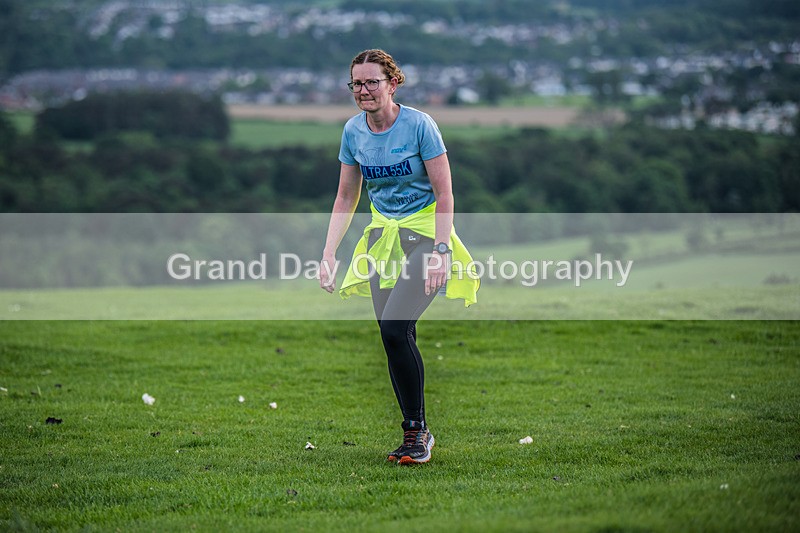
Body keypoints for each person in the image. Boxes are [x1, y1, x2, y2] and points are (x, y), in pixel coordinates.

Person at [319, 49, 478, 465]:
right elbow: (346, 196)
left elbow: (445, 193)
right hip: (383, 243)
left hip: (425, 238)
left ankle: (416, 433)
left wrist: (442, 251)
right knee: (394, 337)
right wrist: (329, 252)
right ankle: (416, 432)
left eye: (372, 82)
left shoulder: (420, 125)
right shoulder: (353, 132)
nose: (363, 90)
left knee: (394, 329)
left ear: (392, 83)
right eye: (356, 83)